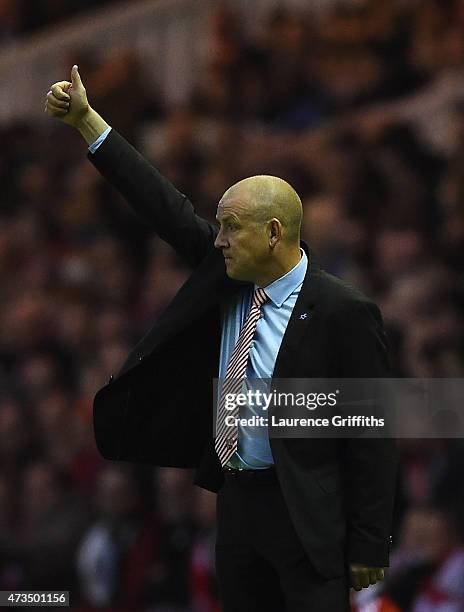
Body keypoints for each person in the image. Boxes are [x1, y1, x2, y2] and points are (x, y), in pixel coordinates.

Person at [45, 65, 398, 612]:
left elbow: (373, 429)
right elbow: (162, 205)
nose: (222, 240)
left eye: (232, 227)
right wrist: (88, 122)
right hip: (236, 504)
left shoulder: (343, 310)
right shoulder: (224, 277)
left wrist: (372, 539)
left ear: (274, 233)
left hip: (307, 515)